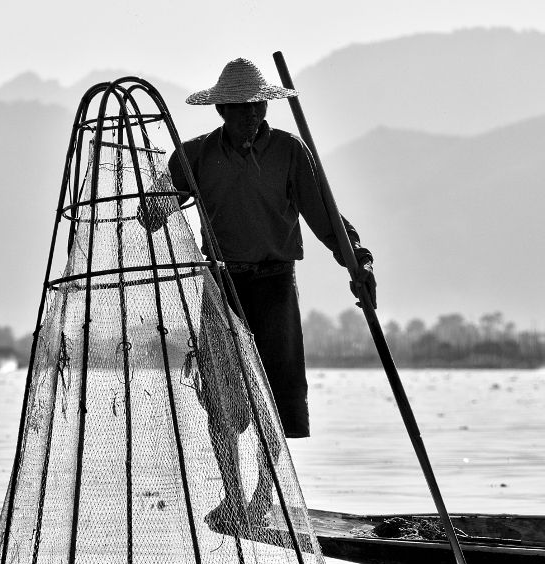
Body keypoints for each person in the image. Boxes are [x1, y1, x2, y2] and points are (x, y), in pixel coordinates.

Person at [140, 57, 376, 525]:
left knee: (275, 391)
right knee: (222, 398)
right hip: (222, 285)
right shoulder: (196, 156)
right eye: (242, 109)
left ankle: (266, 497)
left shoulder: (288, 151)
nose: (252, 116)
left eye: (257, 107)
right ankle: (233, 495)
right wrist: (158, 197)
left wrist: (357, 259)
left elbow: (324, 215)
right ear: (222, 110)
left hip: (274, 283)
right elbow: (153, 213)